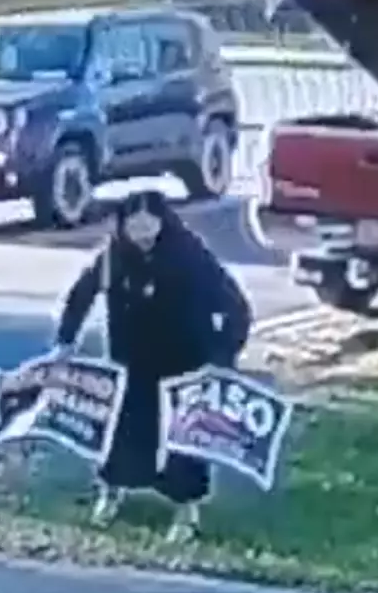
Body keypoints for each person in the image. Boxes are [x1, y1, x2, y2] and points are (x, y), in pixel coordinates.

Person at [52, 186, 252, 542]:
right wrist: (66, 341)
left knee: (184, 437)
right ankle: (111, 493)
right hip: (131, 359)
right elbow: (82, 294)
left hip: (184, 359)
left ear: (163, 222)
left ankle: (186, 509)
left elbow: (235, 306)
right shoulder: (114, 257)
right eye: (134, 225)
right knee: (124, 430)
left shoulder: (189, 254)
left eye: (149, 225)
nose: (141, 233)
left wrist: (223, 356)